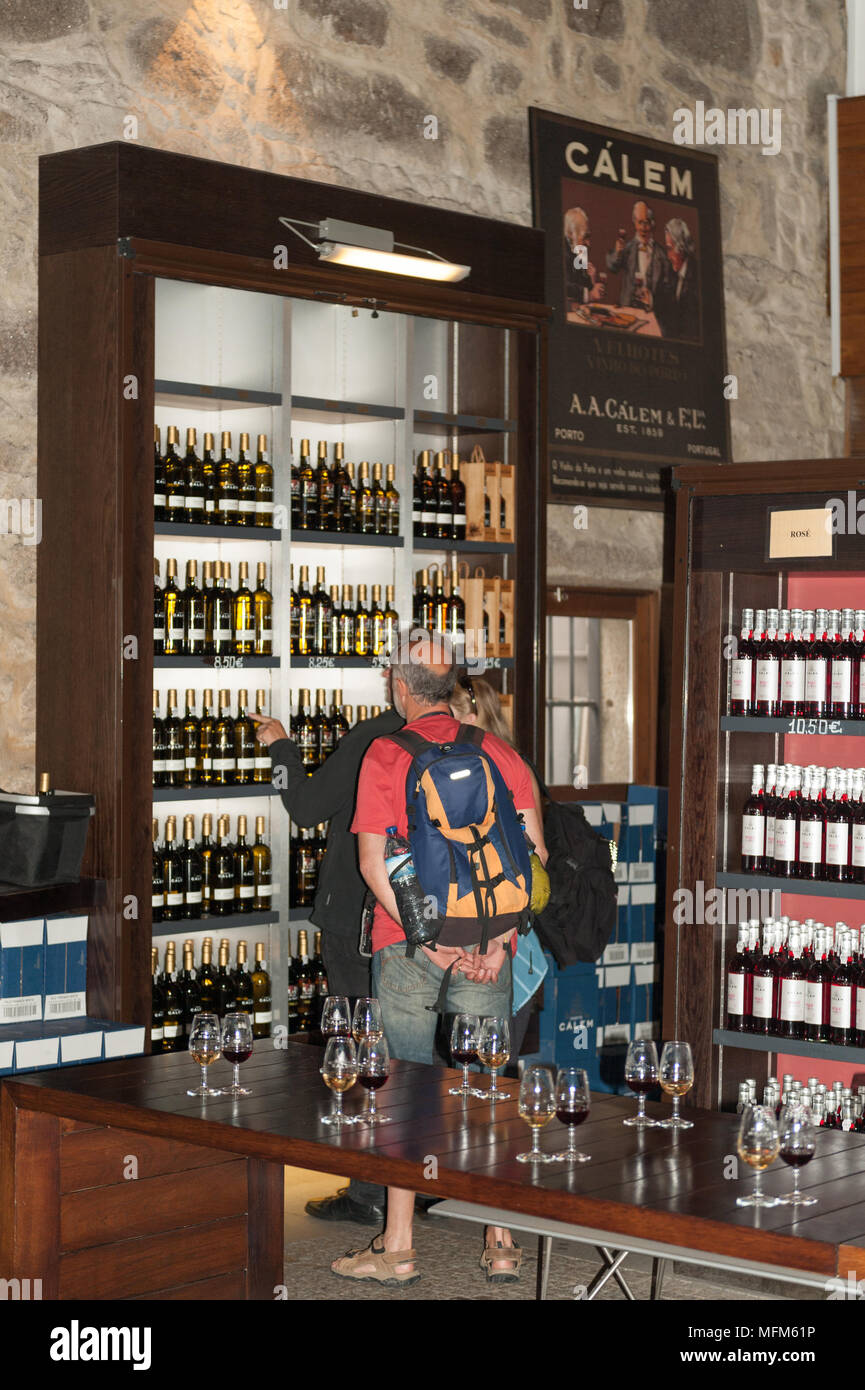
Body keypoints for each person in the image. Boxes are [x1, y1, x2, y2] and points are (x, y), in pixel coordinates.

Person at [331, 631, 548, 1288]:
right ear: (454, 686)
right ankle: (502, 1242)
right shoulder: (498, 751)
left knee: (404, 1088)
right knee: (485, 1085)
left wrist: (431, 940)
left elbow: (375, 864)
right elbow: (534, 863)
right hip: (489, 948)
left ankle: (397, 1246)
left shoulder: (387, 754)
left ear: (399, 686)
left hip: (409, 947)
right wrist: (491, 943)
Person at [254, 688, 403, 1228]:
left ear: (398, 682)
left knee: (367, 1047)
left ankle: (368, 1192)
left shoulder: (375, 736)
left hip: (358, 920)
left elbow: (306, 809)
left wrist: (282, 749)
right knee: (409, 1052)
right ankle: (418, 1183)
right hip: (426, 923)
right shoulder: (461, 739)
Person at [449, 673, 547, 1060]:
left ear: (471, 717)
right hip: (494, 932)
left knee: (483, 1065)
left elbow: (534, 859)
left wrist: (500, 939)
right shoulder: (505, 763)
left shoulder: (503, 767)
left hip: (507, 936)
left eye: (450, 716)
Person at [605, 200, 669, 311]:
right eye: (640, 222)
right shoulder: (627, 248)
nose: (643, 228)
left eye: (647, 222)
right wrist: (618, 252)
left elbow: (668, 287)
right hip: (628, 308)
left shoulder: (661, 254)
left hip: (653, 311)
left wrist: (653, 300)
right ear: (634, 223)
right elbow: (612, 267)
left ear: (652, 224)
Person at [653, 217, 700, 341]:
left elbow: (690, 328)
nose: (668, 256)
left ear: (681, 247)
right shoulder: (673, 271)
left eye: (669, 249)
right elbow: (664, 306)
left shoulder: (697, 276)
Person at [563, 206, 604, 306]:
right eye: (585, 237)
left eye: (588, 237)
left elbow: (583, 284)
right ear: (570, 234)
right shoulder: (560, 252)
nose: (588, 243)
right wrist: (589, 294)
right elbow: (564, 286)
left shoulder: (579, 250)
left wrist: (592, 279)